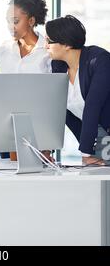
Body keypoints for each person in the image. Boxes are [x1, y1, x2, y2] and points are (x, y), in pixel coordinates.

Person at [0, 0, 51, 160]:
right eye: (8, 21)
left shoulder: (48, 50)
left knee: (36, 177)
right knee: (10, 175)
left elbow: (53, 95)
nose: (11, 26)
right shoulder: (2, 49)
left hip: (38, 126)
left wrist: (49, 143)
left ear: (31, 21)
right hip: (7, 125)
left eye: (16, 21)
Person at [46, 15, 110, 166]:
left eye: (49, 41)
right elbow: (58, 109)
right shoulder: (58, 66)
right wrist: (47, 148)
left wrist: (86, 152)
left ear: (67, 44)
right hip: (97, 134)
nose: (45, 45)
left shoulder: (100, 60)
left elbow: (93, 105)